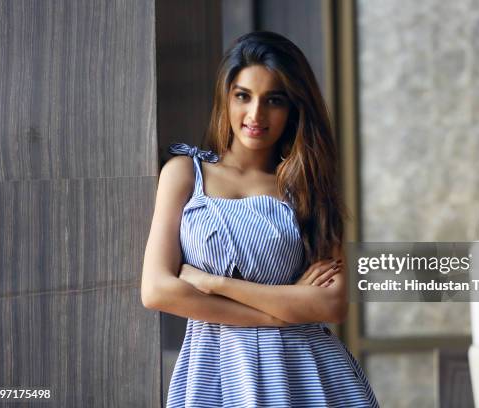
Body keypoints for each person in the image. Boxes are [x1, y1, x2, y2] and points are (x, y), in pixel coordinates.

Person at [141, 31, 379, 408]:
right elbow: (157, 290)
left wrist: (212, 283)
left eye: (274, 100)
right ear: (226, 96)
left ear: (294, 108)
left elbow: (331, 304)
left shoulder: (307, 186)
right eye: (243, 96)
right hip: (214, 371)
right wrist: (278, 315)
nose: (256, 115)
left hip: (306, 374)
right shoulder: (185, 173)